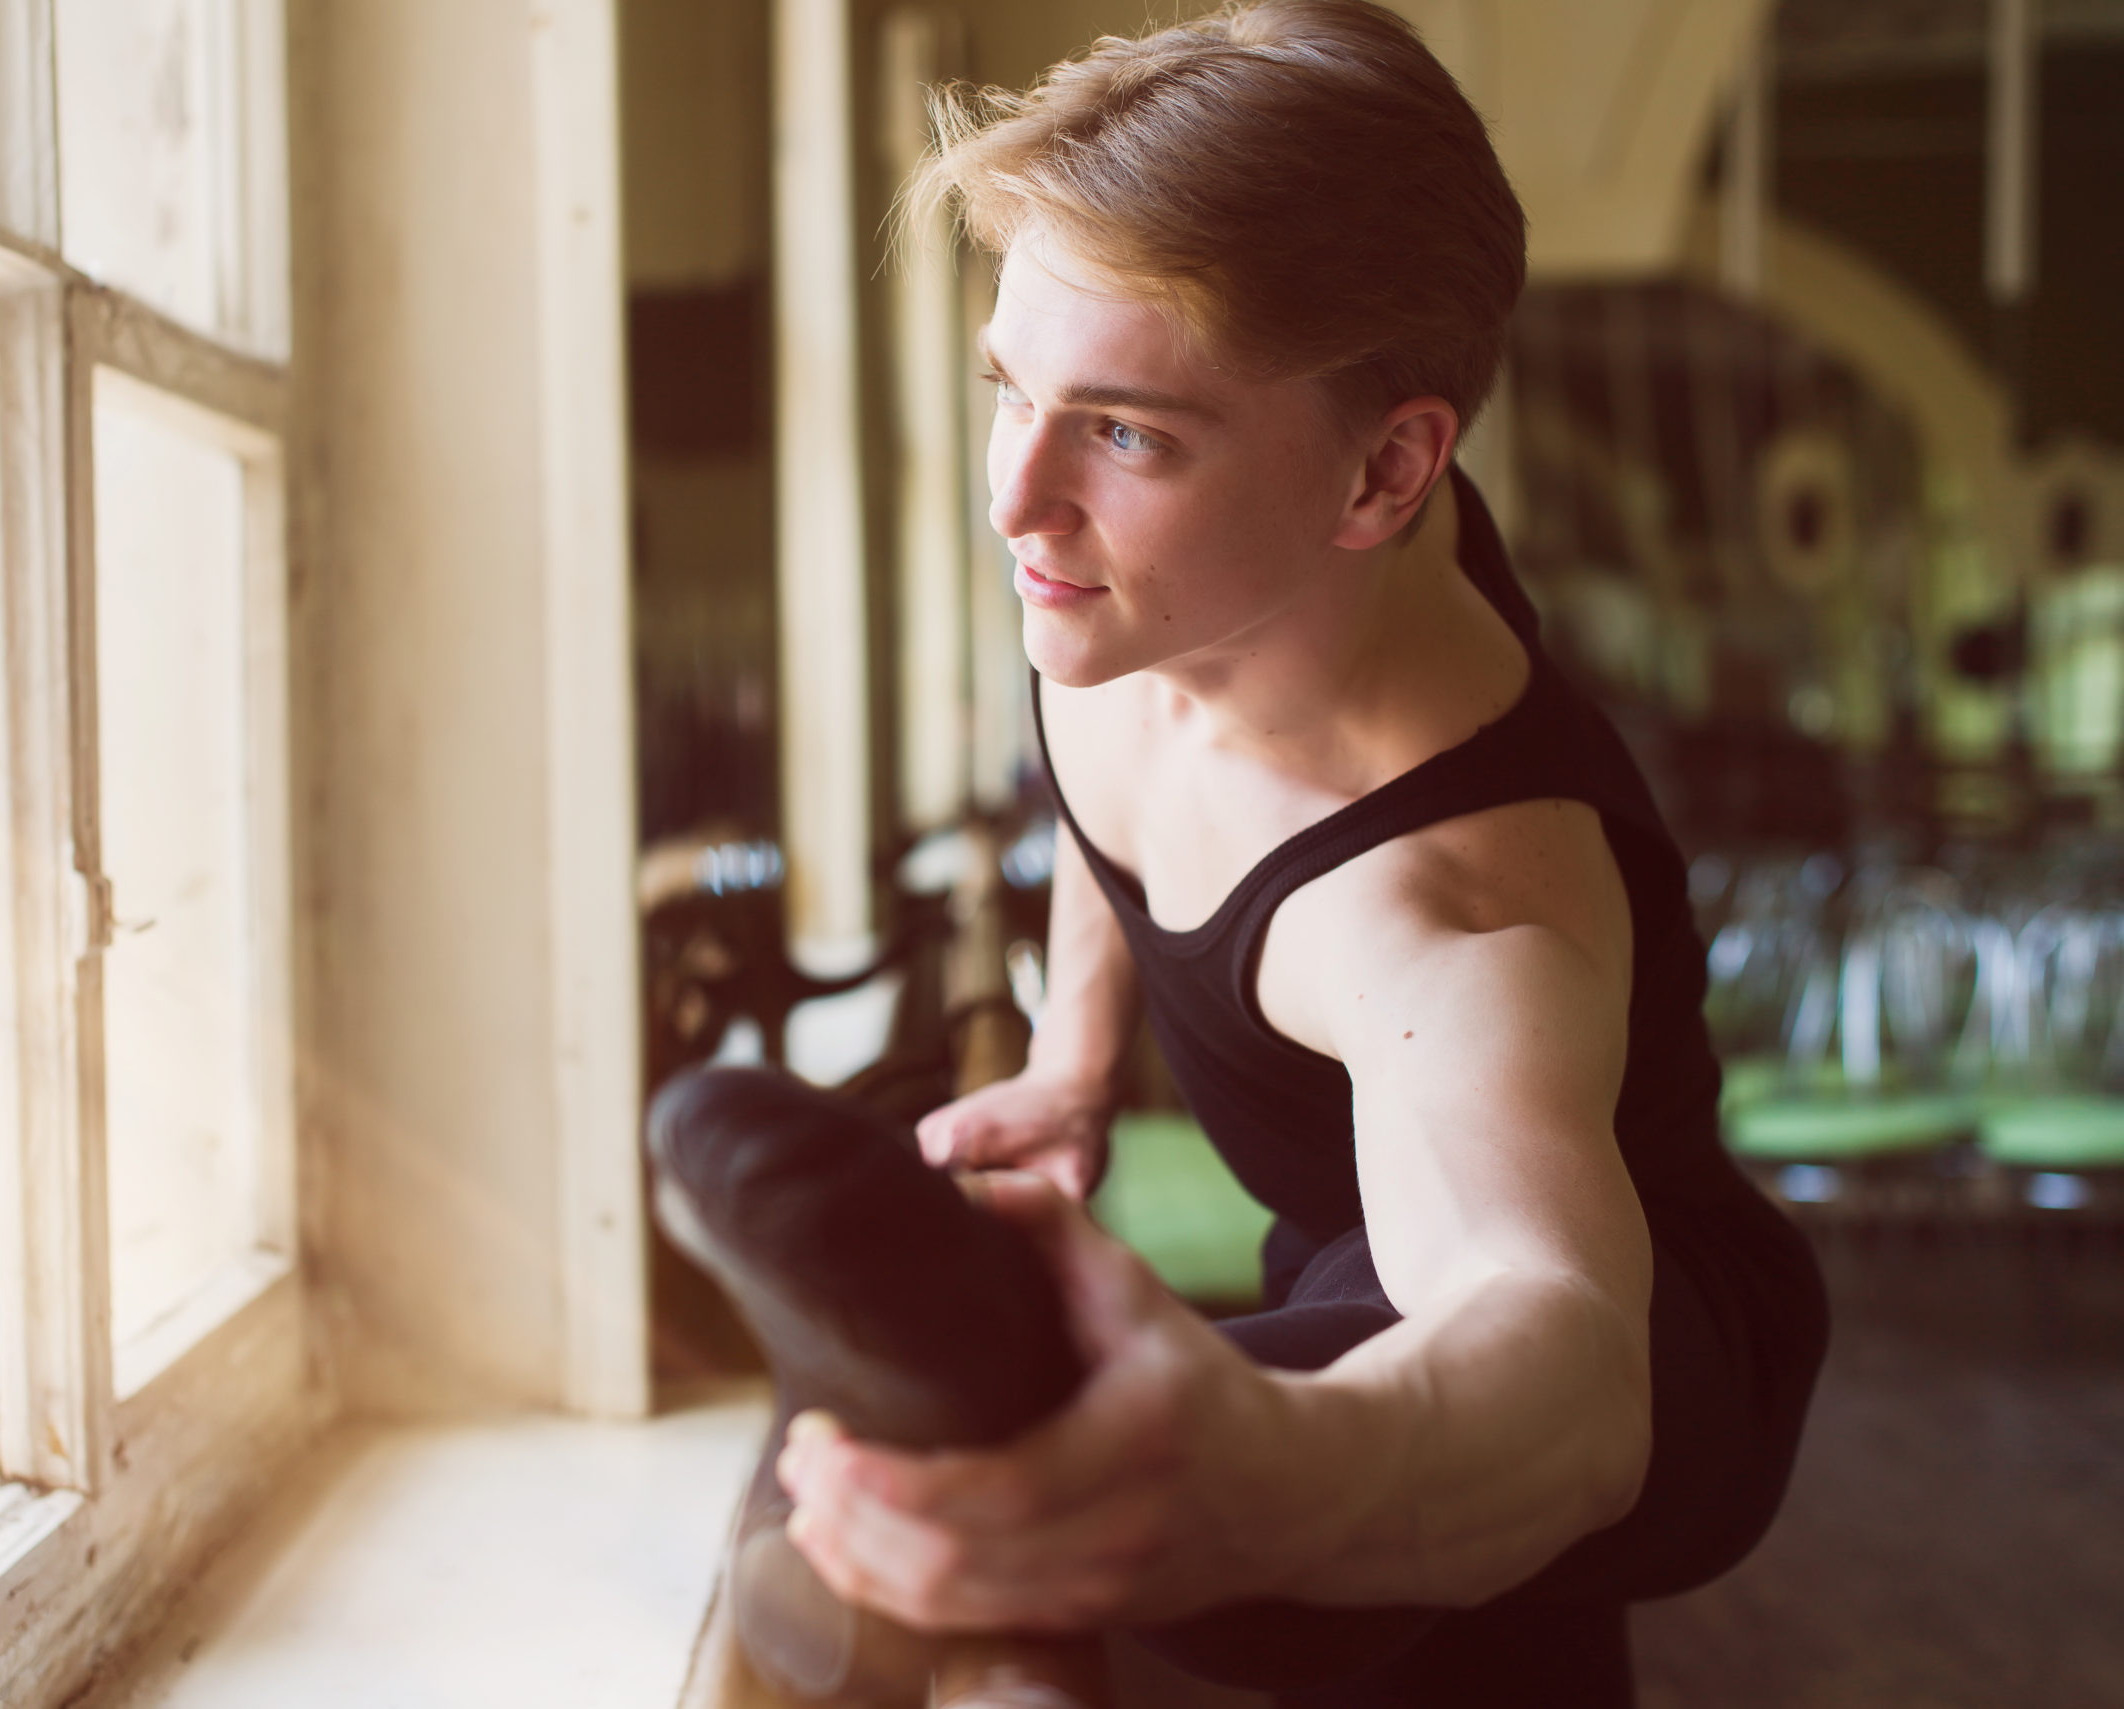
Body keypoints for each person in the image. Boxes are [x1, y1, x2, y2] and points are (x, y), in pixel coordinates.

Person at [766, 4, 1828, 1703]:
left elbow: (1548, 1330)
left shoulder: (1458, 907)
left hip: (1646, 1344)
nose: (1015, 496)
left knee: (1254, 1454)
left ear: (1389, 469)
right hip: (1339, 1231)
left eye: (1124, 432)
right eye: (1006, 391)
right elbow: (1108, 791)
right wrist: (1070, 1057)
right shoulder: (1152, 600)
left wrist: (1263, 1481)